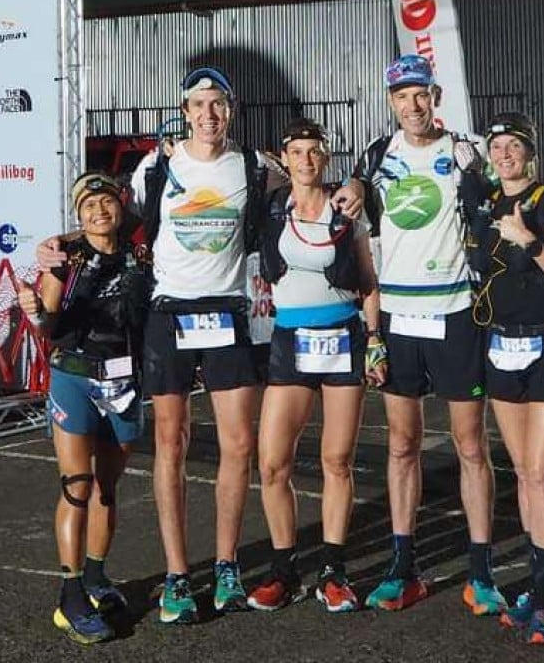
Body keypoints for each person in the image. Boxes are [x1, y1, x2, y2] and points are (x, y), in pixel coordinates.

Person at [35, 66, 366, 625]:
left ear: (230, 111)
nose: (208, 114)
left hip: (227, 316)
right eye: (198, 104)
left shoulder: (255, 167)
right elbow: (111, 218)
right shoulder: (158, 166)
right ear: (184, 111)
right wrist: (59, 243)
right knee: (172, 446)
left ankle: (228, 565)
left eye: (218, 104)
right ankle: (176, 576)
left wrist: (357, 186)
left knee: (238, 447)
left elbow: (313, 185)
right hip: (169, 317)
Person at [352, 54, 544, 617]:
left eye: (421, 94)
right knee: (402, 446)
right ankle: (403, 567)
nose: (412, 105)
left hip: (457, 314)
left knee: (470, 447)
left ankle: (480, 573)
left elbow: (512, 190)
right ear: (390, 102)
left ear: (435, 96)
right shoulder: (376, 157)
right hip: (400, 318)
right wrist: (374, 330)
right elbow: (360, 215)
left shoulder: (464, 154)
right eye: (401, 96)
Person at [245, 118, 385, 614]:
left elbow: (368, 280)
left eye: (314, 152)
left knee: (336, 461)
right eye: (297, 151)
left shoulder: (347, 208)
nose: (306, 160)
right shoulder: (272, 208)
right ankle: (284, 571)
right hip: (290, 339)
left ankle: (333, 571)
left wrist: (374, 341)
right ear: (285, 157)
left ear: (325, 158)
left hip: (344, 335)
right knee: (273, 462)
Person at [467, 112, 544, 645]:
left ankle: (543, 601)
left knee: (542, 473)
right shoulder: (485, 204)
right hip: (501, 346)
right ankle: (542, 588)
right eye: (498, 146)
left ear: (530, 153)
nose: (505, 154)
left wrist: (530, 241)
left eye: (515, 145)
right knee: (520, 471)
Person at [17, 172, 149, 645]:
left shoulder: (140, 250)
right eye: (88, 205)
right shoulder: (64, 258)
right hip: (74, 376)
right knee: (77, 485)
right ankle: (69, 594)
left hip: (125, 381)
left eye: (105, 201)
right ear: (77, 214)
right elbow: (48, 324)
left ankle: (95, 577)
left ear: (120, 204)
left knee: (108, 489)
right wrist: (33, 308)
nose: (98, 212)